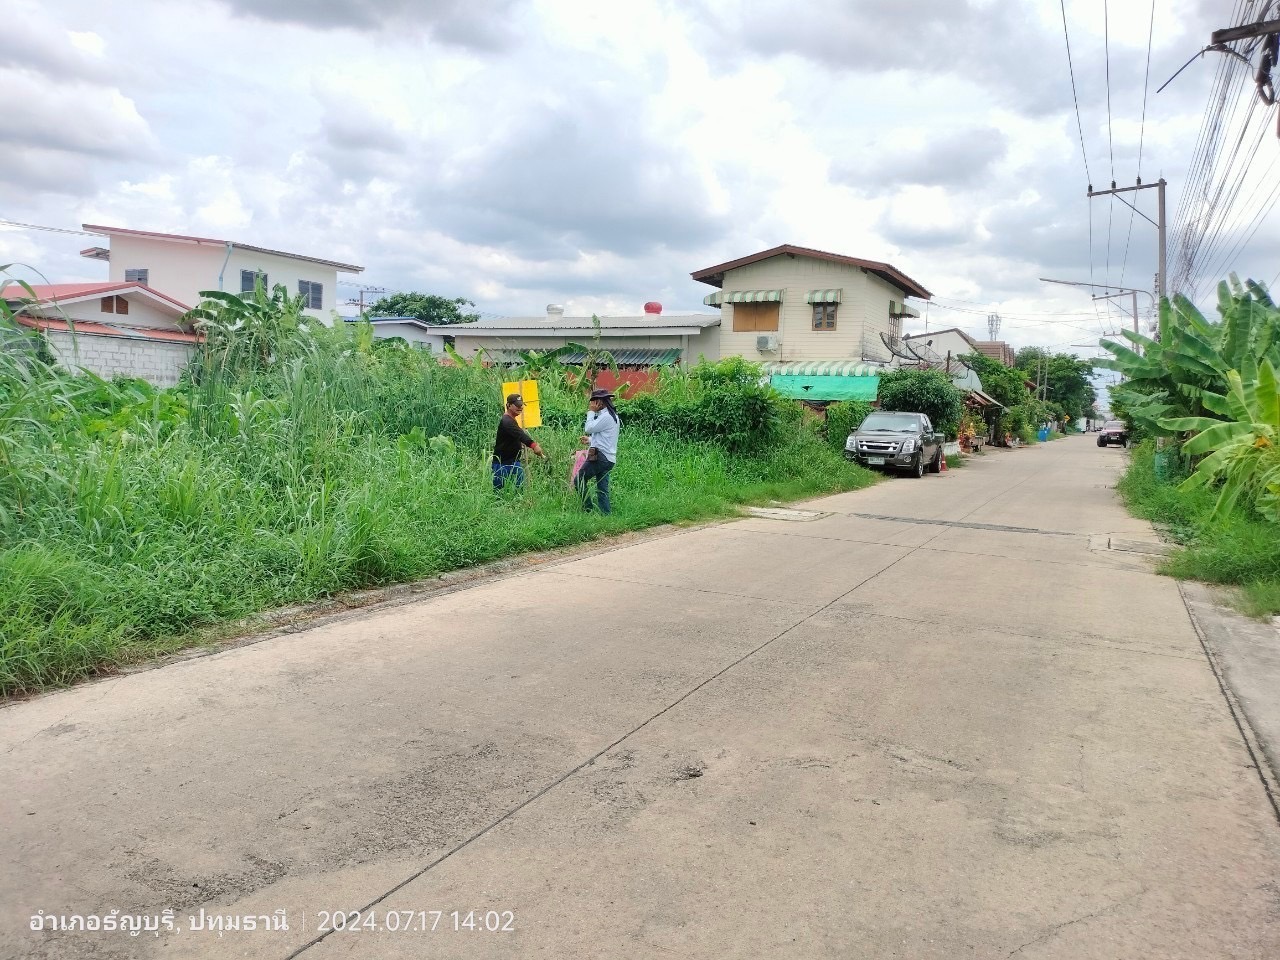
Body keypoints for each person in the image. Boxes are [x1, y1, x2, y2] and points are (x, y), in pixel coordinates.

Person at [576, 387, 620, 514]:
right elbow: (605, 437)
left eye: (593, 401)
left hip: (600, 457)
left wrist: (591, 412)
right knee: (602, 489)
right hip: (608, 459)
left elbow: (589, 428)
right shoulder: (611, 416)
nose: (591, 404)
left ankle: (588, 509)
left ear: (600, 402)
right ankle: (606, 515)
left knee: (579, 480)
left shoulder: (605, 416)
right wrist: (590, 440)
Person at [492, 393, 545, 491]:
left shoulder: (511, 419)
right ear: (508, 405)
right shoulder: (506, 421)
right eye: (517, 405)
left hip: (514, 462)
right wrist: (534, 445)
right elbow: (520, 434)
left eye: (521, 405)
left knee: (519, 493)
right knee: (500, 496)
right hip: (502, 465)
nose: (520, 408)